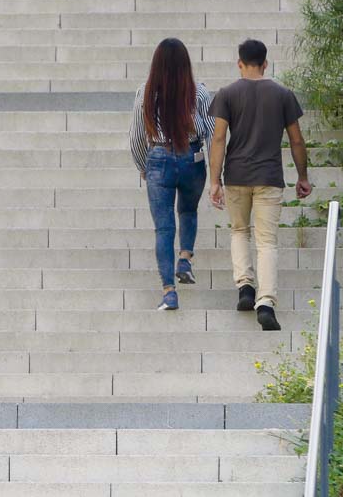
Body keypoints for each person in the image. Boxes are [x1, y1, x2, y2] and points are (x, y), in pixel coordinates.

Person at [209, 39, 313, 332]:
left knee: (240, 231)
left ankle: (245, 287)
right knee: (267, 241)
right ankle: (266, 302)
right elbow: (296, 139)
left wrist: (214, 181)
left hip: (237, 176)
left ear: (239, 63)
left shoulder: (226, 94)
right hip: (269, 178)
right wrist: (302, 177)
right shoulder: (282, 94)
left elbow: (218, 139)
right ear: (265, 63)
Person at [130, 38, 215, 311]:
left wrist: (144, 165)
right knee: (188, 211)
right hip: (193, 157)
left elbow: (136, 136)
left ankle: (169, 292)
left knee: (164, 228)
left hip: (158, 158)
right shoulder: (199, 92)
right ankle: (185, 259)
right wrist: (217, 175)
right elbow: (213, 132)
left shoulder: (145, 93)